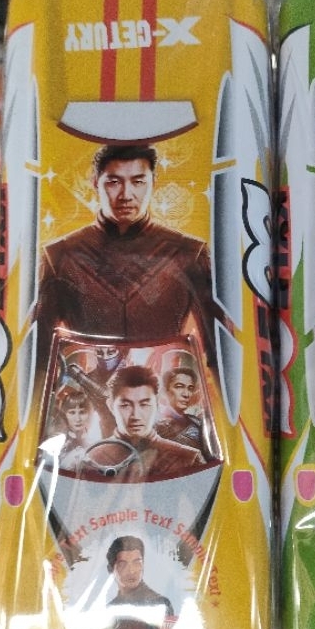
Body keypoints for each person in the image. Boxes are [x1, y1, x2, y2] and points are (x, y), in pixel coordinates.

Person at [34, 144, 217, 369]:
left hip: (164, 386)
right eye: (114, 182)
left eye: (138, 182)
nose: (126, 195)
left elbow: (219, 354)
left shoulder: (189, 253)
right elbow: (37, 359)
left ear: (153, 183)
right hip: (85, 385)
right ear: (95, 182)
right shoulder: (59, 256)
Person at [86, 364, 205, 481]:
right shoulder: (91, 459)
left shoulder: (188, 458)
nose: (135, 416)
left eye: (144, 404)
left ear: (157, 404)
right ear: (111, 406)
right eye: (125, 405)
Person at [105, 535, 174, 629]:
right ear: (111, 568)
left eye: (137, 562)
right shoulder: (109, 608)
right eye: (123, 564)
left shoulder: (160, 604)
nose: (131, 571)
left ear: (143, 565)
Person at [155, 364, 205, 452]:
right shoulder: (153, 423)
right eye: (179, 387)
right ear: (165, 391)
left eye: (190, 388)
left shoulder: (197, 422)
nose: (186, 394)